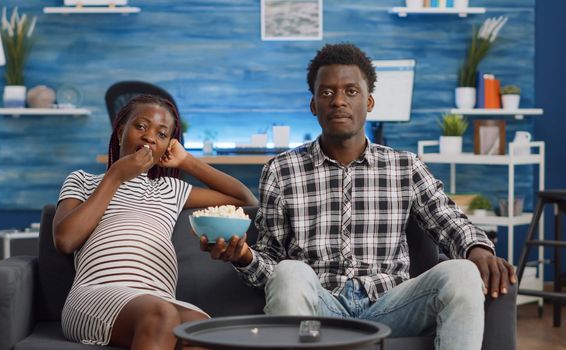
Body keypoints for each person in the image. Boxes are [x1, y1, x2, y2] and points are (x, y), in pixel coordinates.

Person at [201, 43, 517, 349]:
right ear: (313, 105)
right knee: (289, 271)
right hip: (319, 313)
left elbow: (448, 220)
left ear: (369, 102)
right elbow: (271, 262)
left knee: (461, 272)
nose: (338, 101)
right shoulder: (281, 170)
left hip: (392, 309)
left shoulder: (405, 166)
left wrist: (477, 250)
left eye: (351, 91)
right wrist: (244, 257)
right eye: (327, 92)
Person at [53, 94, 258, 350]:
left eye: (162, 135)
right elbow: (65, 240)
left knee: (204, 331)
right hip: (96, 294)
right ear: (119, 133)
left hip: (158, 298)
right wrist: (115, 176)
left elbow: (245, 198)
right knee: (161, 315)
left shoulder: (170, 189)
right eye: (140, 126)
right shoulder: (83, 181)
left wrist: (187, 161)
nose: (150, 137)